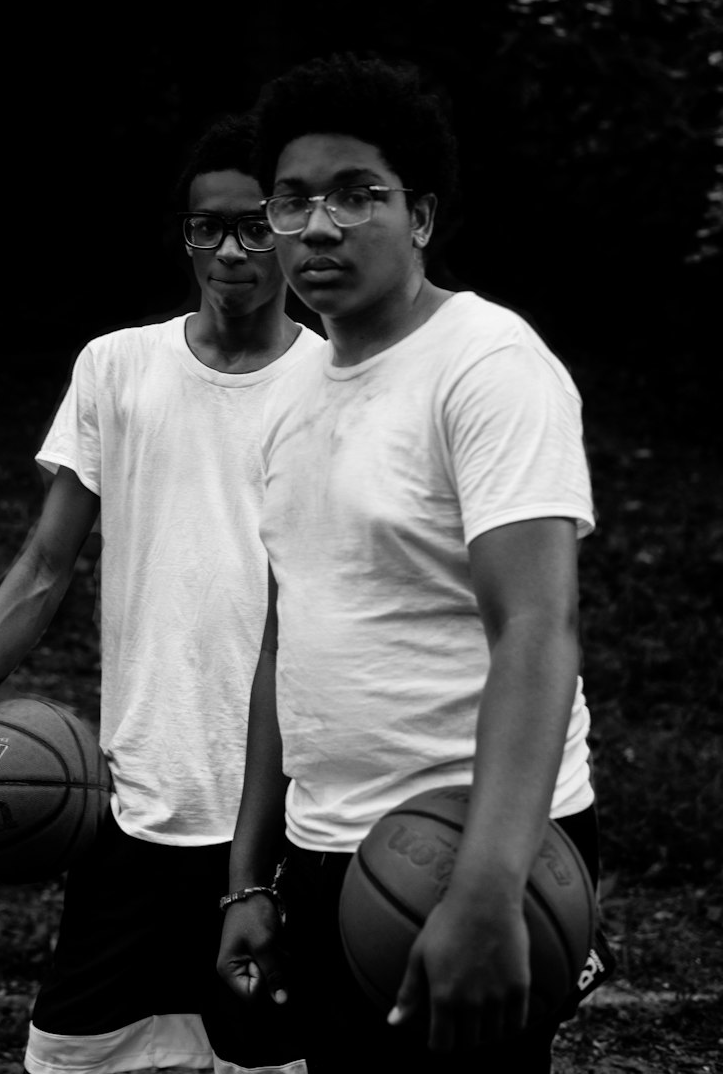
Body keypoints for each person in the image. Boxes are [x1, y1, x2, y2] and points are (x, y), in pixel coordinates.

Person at [0, 113, 321, 1074]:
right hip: (137, 805)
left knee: (271, 1064)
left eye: (257, 224)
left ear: (291, 228)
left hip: (288, 820)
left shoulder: (341, 383)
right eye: (210, 227)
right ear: (185, 237)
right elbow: (43, 569)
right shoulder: (116, 367)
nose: (233, 249)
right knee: (70, 1057)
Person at [216, 52, 605, 1072]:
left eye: (356, 195)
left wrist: (486, 887)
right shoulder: (294, 395)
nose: (318, 226)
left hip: (464, 846)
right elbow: (284, 643)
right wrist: (252, 879)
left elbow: (537, 627)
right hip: (327, 852)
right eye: (290, 201)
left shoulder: (487, 363)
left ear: (421, 217)